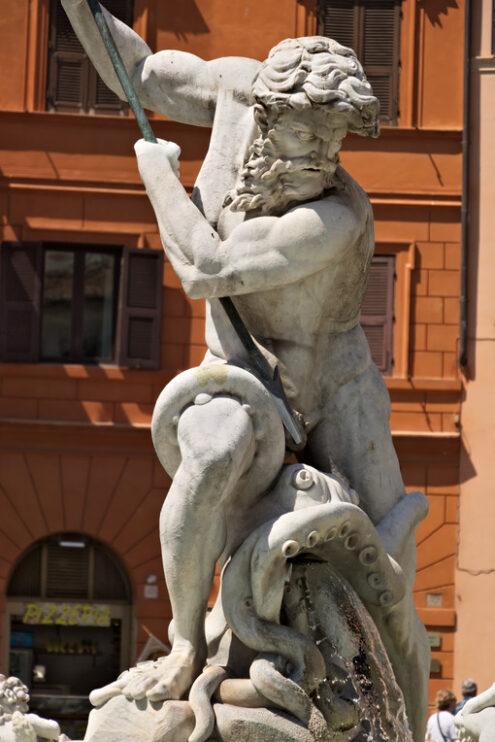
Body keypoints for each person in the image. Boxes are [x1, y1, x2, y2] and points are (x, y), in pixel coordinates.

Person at [60, 3, 430, 739]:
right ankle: (186, 644)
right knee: (209, 456)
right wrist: (79, 8)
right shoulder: (234, 88)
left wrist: (155, 177)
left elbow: (207, 268)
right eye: (307, 132)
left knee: (386, 571)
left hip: (335, 385)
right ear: (266, 109)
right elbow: (135, 70)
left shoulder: (337, 214)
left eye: (334, 140)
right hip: (239, 371)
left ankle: (406, 721)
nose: (322, 155)